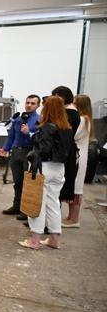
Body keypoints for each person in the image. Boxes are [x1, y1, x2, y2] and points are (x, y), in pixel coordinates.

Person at [19, 95, 74, 250]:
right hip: (59, 169)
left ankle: (35, 241)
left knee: (36, 202)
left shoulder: (47, 127)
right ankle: (54, 239)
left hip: (44, 167)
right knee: (53, 204)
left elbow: (43, 150)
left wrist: (32, 154)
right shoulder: (67, 128)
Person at [0, 94, 40, 215]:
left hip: (30, 153)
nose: (29, 105)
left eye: (32, 103)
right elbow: (11, 136)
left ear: (38, 105)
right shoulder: (18, 119)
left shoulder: (39, 120)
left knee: (28, 183)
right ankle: (16, 206)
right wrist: (5, 148)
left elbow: (40, 140)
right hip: (16, 152)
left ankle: (25, 209)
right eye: (27, 102)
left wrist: (29, 132)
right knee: (17, 182)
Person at [63, 94, 94, 227]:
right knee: (73, 187)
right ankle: (71, 216)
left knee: (76, 189)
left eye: (75, 103)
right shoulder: (85, 119)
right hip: (78, 155)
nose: (72, 105)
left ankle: (74, 219)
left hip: (78, 158)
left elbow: (73, 135)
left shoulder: (83, 119)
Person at [51, 86, 80, 205]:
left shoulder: (71, 112)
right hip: (60, 148)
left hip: (64, 150)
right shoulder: (64, 111)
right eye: (54, 95)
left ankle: (50, 221)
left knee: (58, 187)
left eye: (59, 95)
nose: (56, 98)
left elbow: (62, 131)